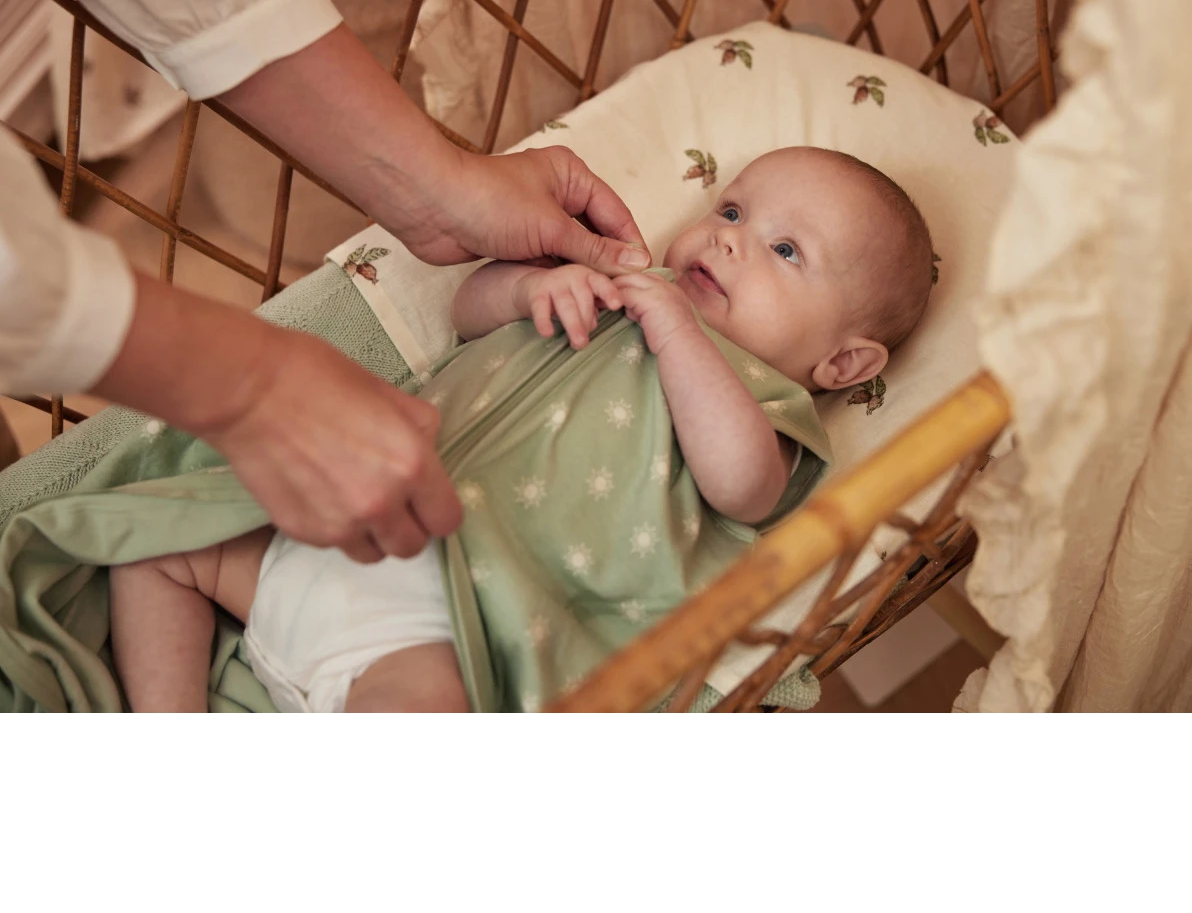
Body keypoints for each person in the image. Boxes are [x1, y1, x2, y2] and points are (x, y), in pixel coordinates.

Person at [108, 146, 936, 712]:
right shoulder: (618, 283)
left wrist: (679, 335)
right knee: (150, 538)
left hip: (442, 622)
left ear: (843, 363)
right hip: (347, 512)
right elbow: (467, 317)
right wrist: (524, 293)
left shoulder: (764, 403)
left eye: (785, 251)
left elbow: (744, 487)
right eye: (732, 208)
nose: (728, 238)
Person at [0, 0, 650, 565]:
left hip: (484, 549)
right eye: (713, 217)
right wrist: (532, 288)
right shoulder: (616, 305)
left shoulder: (702, 352)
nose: (707, 240)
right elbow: (468, 309)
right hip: (385, 502)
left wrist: (443, 188)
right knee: (163, 565)